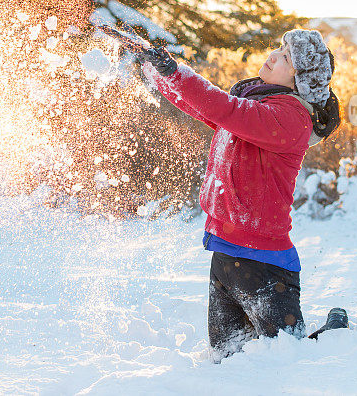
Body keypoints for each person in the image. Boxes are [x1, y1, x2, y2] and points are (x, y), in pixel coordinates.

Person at [136, 29, 346, 361]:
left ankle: (337, 334)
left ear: (301, 80)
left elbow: (225, 109)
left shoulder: (292, 118)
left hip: (264, 265)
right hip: (224, 255)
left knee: (293, 358)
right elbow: (206, 110)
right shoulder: (258, 103)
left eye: (287, 57)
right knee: (228, 360)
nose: (275, 55)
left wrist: (176, 72)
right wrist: (158, 72)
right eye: (279, 48)